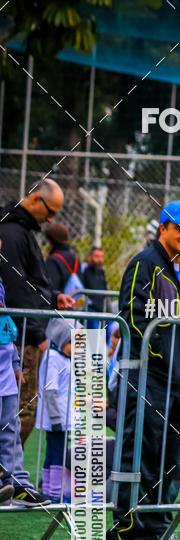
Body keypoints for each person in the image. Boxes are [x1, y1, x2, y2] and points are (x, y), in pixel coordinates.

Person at [106, 200, 180, 540]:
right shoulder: (145, 264)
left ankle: (155, 539)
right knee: (140, 460)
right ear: (163, 227)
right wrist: (159, 359)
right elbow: (132, 316)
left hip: (176, 383)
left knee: (168, 464)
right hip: (148, 380)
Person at [0, 179, 75, 443]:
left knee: (21, 411)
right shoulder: (11, 234)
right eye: (50, 211)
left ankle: (9, 475)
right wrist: (36, 333)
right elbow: (14, 290)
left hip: (25, 334)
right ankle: (6, 473)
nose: (51, 219)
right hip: (20, 339)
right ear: (34, 199)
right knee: (21, 412)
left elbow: (30, 285)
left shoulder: (21, 232)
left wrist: (54, 298)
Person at [0, 238, 50, 506]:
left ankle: (16, 482)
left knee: (10, 426)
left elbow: (6, 323)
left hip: (4, 369)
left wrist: (16, 363)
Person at [35, 319, 72, 502]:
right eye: (72, 342)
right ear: (63, 340)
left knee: (53, 452)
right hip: (57, 417)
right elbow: (51, 389)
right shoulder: (53, 358)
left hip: (60, 417)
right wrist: (56, 418)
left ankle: (49, 491)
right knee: (57, 454)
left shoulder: (63, 358)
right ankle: (56, 494)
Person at [45, 222, 83, 299]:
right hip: (73, 304)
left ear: (52, 241)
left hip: (60, 304)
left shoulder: (53, 260)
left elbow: (51, 288)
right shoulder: (75, 259)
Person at [81, 246, 108, 316]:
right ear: (89, 257)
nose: (100, 260)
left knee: (115, 324)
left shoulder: (102, 273)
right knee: (94, 325)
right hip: (89, 310)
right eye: (97, 256)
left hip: (102, 310)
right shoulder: (84, 270)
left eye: (102, 257)